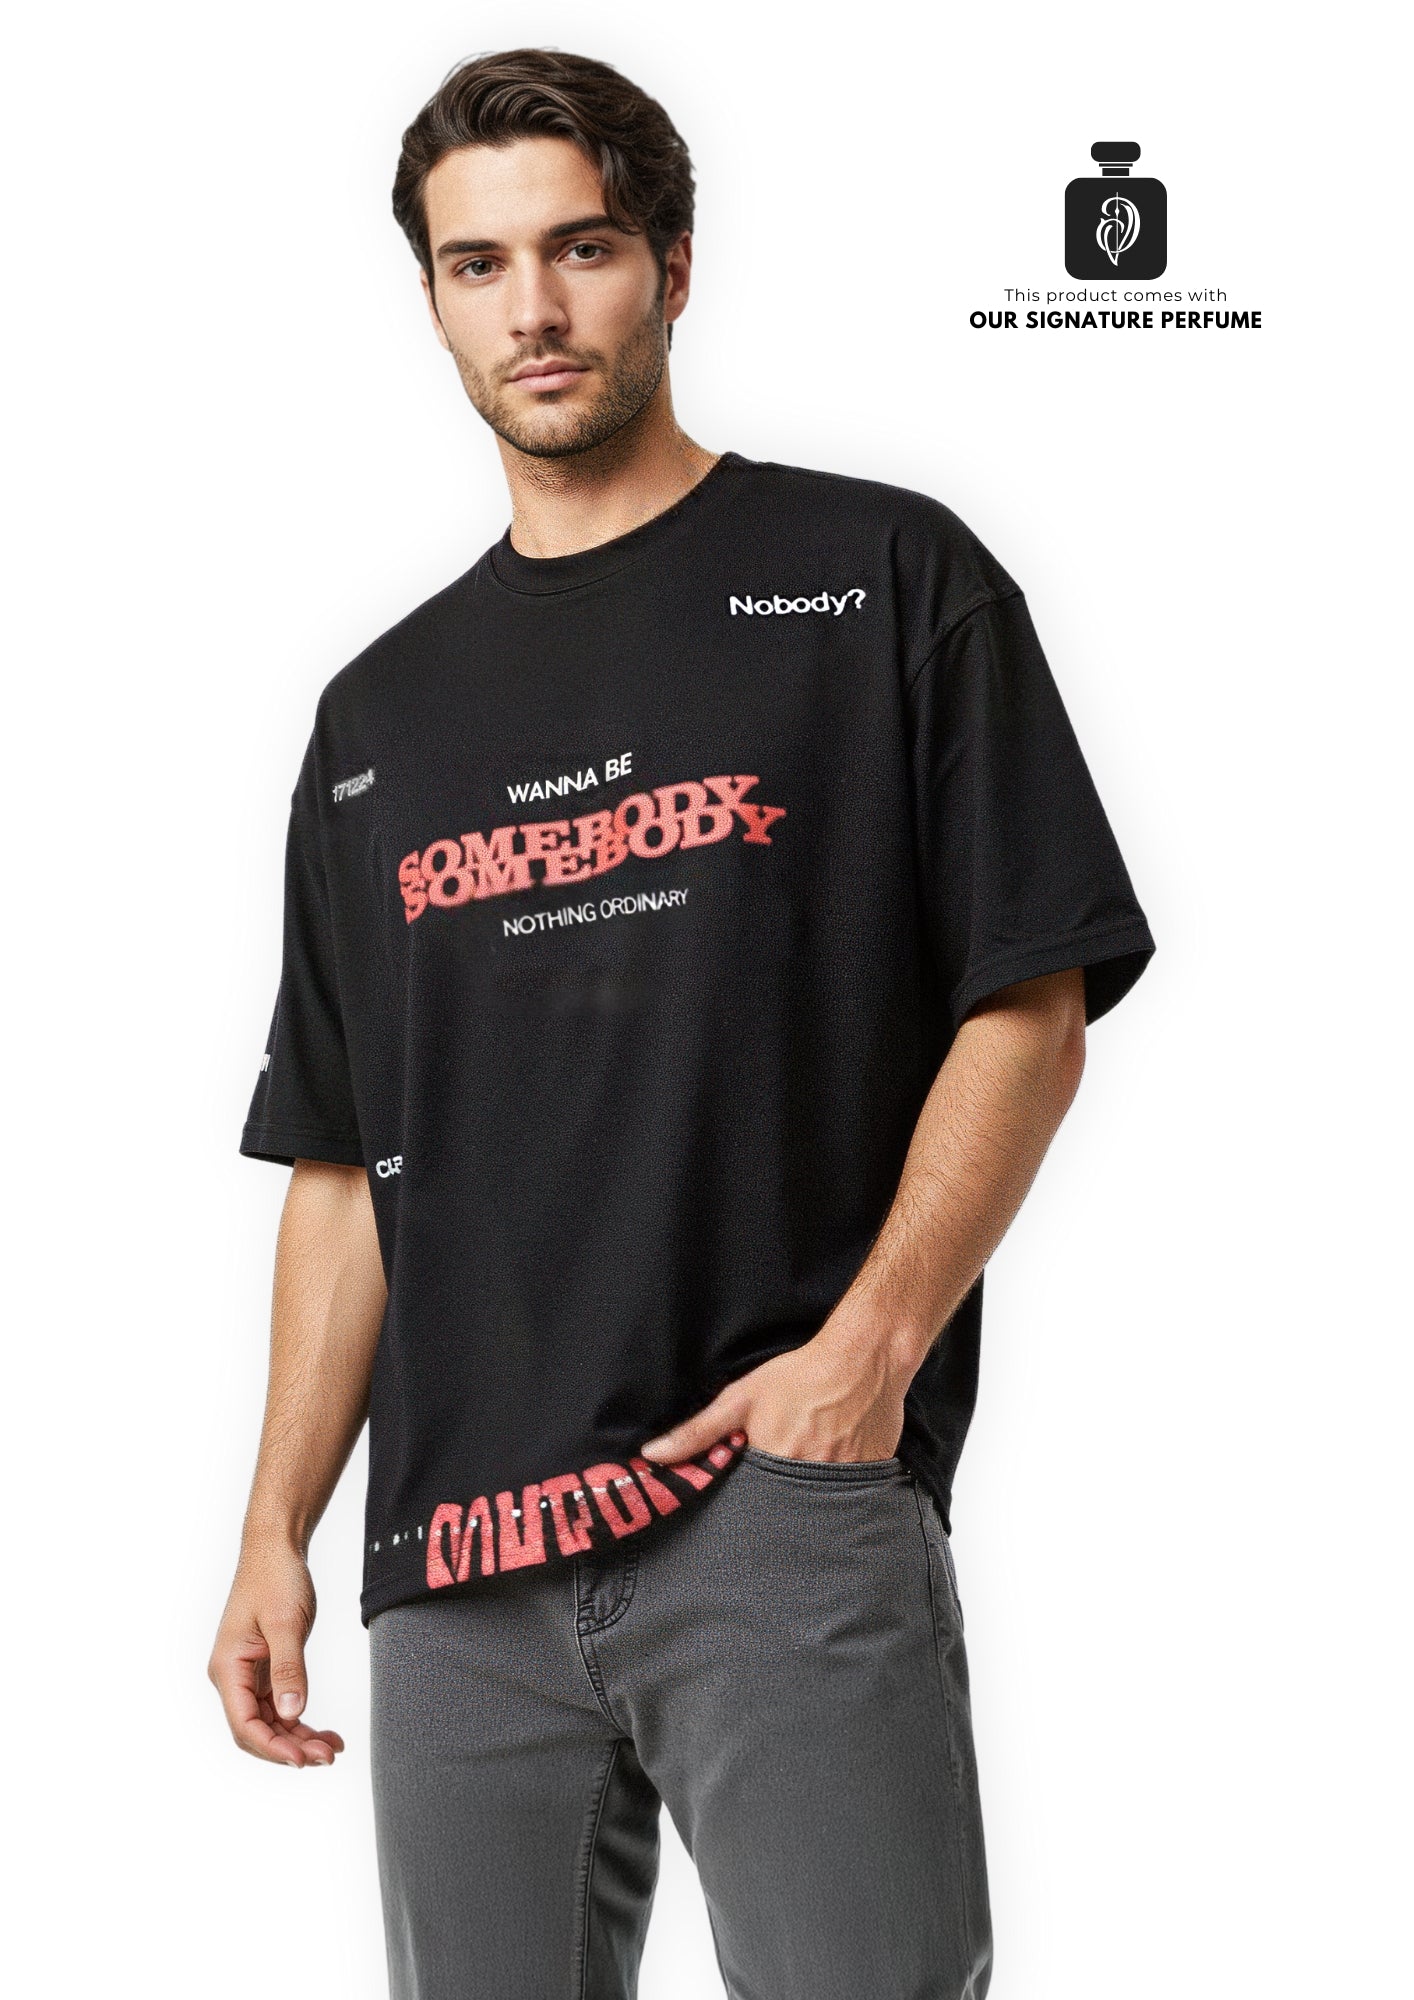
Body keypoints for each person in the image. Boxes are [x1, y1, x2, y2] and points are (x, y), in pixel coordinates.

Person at [208, 45, 1155, 2000]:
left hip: (770, 1499)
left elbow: (1029, 1004)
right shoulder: (376, 718)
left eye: (581, 249)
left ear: (673, 266)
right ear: (431, 299)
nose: (532, 310)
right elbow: (344, 1160)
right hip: (454, 1559)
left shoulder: (879, 578)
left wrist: (861, 1365)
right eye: (477, 265)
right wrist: (274, 1525)